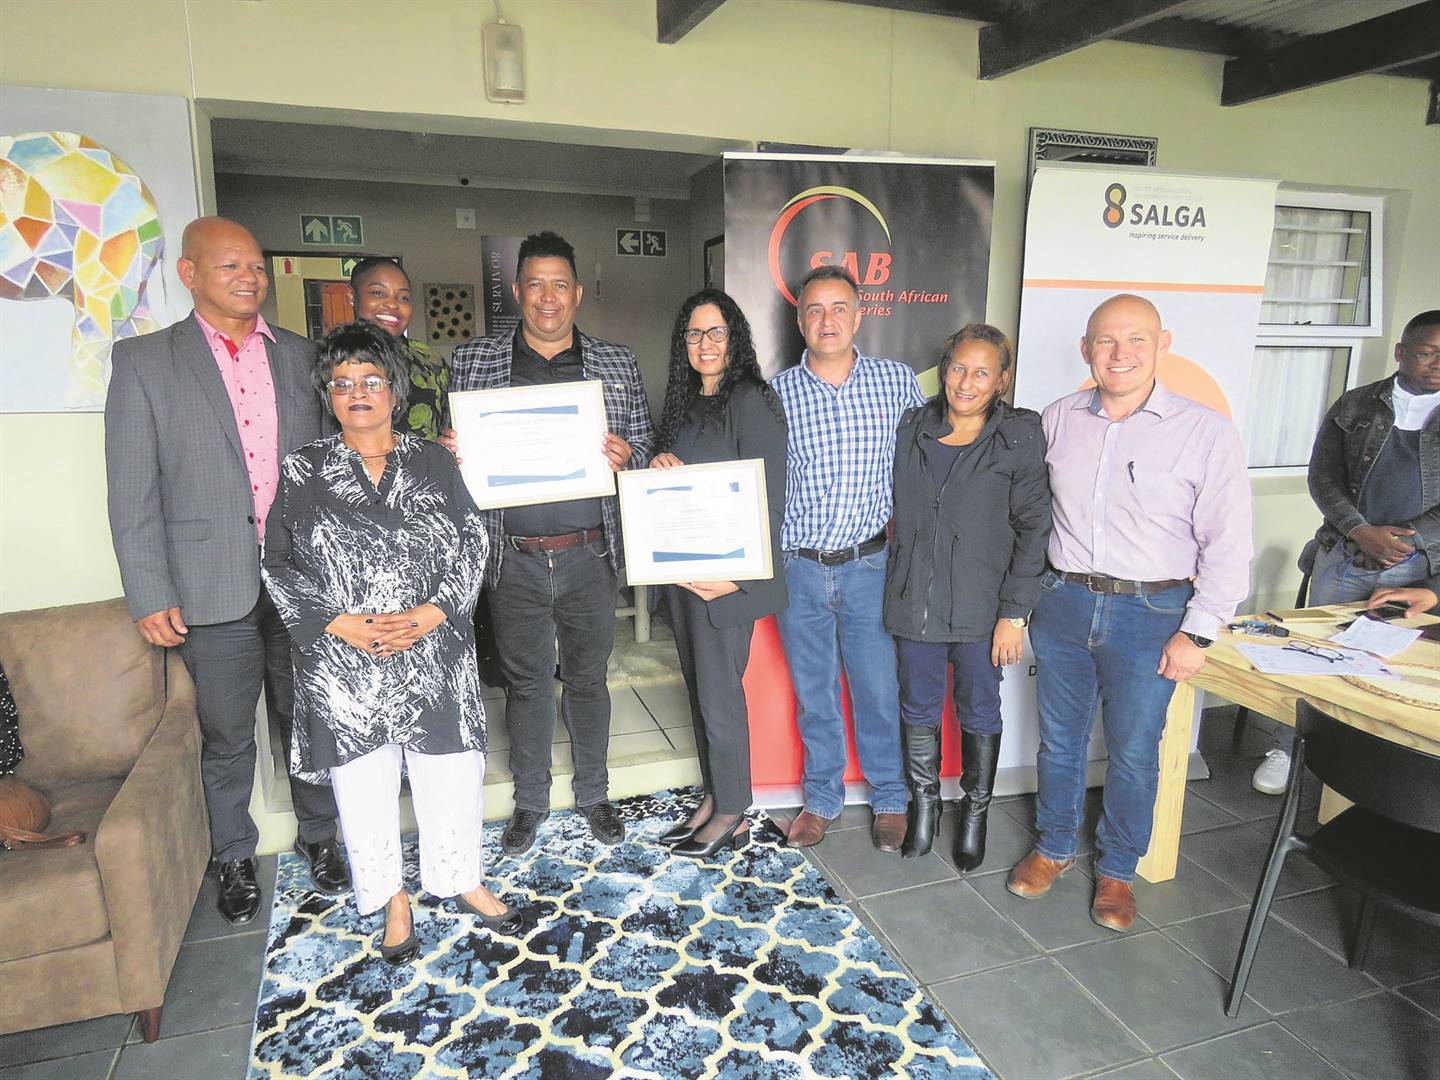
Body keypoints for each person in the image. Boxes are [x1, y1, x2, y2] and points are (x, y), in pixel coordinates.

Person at [104, 217, 348, 925]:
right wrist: (150, 590)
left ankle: (320, 834)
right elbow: (132, 490)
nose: (249, 278)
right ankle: (234, 854)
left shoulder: (302, 356)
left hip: (302, 580)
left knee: (310, 719)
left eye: (257, 266)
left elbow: (333, 464)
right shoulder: (146, 362)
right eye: (229, 266)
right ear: (188, 273)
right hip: (209, 583)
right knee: (227, 733)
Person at [261, 322, 519, 964]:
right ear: (328, 395)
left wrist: (435, 611)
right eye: (342, 383)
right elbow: (278, 563)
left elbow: (471, 543)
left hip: (434, 654)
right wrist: (335, 621)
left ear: (395, 390)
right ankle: (390, 897)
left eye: (371, 380)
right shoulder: (302, 470)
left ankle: (461, 877)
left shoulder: (433, 460)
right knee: (362, 788)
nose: (357, 393)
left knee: (451, 771)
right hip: (346, 662)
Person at [1007, 294, 1252, 932]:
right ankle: (1054, 846)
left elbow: (1228, 543)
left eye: (1136, 339)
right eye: (1106, 340)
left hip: (1154, 611)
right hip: (1064, 601)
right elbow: (1029, 514)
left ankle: (1117, 868)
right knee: (1060, 741)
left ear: (1162, 344)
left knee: (1136, 750)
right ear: (1085, 349)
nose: (1120, 353)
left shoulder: (1205, 431)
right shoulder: (1058, 419)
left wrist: (1199, 632)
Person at [448, 231, 654, 855]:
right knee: (527, 684)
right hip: (512, 555)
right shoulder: (475, 360)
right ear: (517, 291)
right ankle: (530, 802)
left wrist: (627, 453)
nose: (547, 297)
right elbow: (451, 455)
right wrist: (450, 452)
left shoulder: (615, 363)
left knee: (589, 680)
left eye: (559, 285)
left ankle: (594, 794)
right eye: (534, 284)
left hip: (591, 553)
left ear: (577, 293)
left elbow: (645, 444)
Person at [770, 265, 926, 852]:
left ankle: (890, 799)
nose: (827, 319)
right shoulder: (776, 394)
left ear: (859, 317)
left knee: (878, 690)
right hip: (800, 568)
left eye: (839, 308)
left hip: (870, 567)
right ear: (800, 321)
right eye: (815, 309)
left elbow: (926, 462)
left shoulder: (896, 382)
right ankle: (821, 800)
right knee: (815, 694)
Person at [884, 325, 1051, 866]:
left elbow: (1034, 529)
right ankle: (925, 807)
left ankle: (975, 813)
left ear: (1002, 380)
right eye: (958, 367)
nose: (966, 381)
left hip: (985, 609)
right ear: (944, 368)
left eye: (982, 372)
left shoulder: (1018, 437)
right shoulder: (912, 426)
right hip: (916, 602)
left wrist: (1015, 615)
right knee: (917, 706)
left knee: (979, 708)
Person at [1253, 309, 1440, 794]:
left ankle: (1368, 766)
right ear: (1400, 352)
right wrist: (1361, 530)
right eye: (1427, 352)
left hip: (1420, 566)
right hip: (1344, 554)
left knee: (1395, 666)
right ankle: (1288, 748)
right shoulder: (1357, 404)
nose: (1437, 363)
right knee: (1316, 654)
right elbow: (1323, 477)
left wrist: (1407, 539)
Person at [650, 289, 788, 857]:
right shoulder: (687, 403)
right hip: (687, 578)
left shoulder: (751, 400)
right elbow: (677, 481)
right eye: (694, 333)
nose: (704, 344)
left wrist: (741, 579)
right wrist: (659, 463)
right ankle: (714, 797)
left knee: (720, 699)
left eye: (716, 332)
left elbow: (771, 496)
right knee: (701, 694)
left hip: (727, 582)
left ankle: (733, 811)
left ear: (734, 338)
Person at [347, 256, 450, 441]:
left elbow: (447, 427)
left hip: (424, 461)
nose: (393, 304)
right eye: (378, 293)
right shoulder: (331, 360)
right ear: (352, 296)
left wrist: (447, 443)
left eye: (403, 297)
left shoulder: (430, 361)